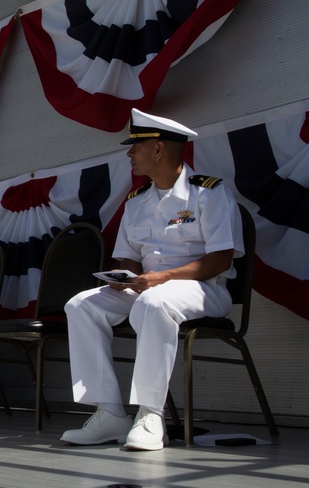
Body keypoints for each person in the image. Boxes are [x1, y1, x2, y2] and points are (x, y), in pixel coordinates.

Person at [61, 108, 243, 451]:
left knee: (153, 300)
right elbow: (129, 257)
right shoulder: (137, 202)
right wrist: (123, 277)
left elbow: (221, 259)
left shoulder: (208, 193)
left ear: (158, 149)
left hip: (204, 290)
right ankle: (110, 413)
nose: (130, 153)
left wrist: (164, 278)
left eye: (135, 146)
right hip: (147, 287)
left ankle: (150, 414)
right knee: (81, 305)